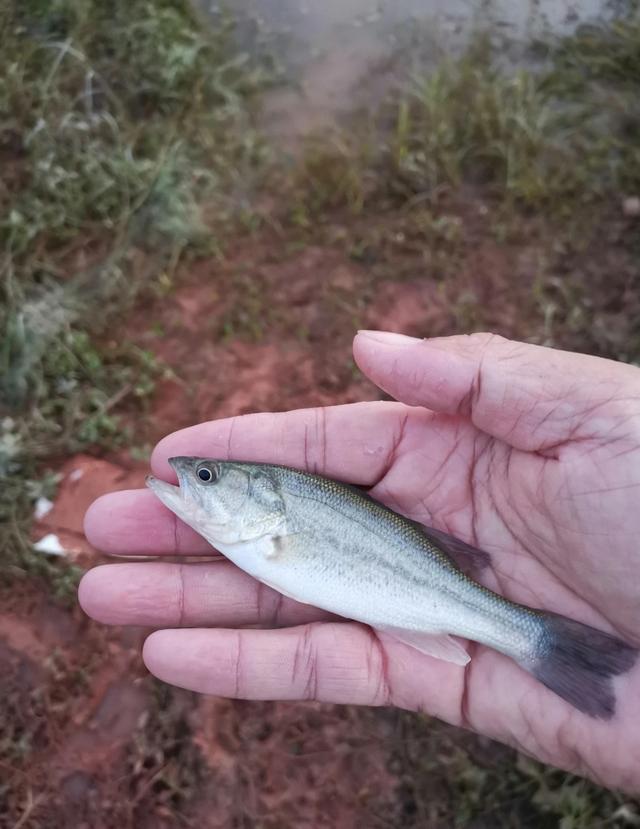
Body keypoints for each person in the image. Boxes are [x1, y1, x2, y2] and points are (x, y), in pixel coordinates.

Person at [79, 331, 640, 792]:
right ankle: (542, 643)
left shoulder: (264, 536)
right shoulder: (255, 538)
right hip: (406, 592)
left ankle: (534, 639)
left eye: (207, 477)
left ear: (261, 498)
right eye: (204, 475)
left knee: (515, 630)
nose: (193, 476)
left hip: (433, 594)